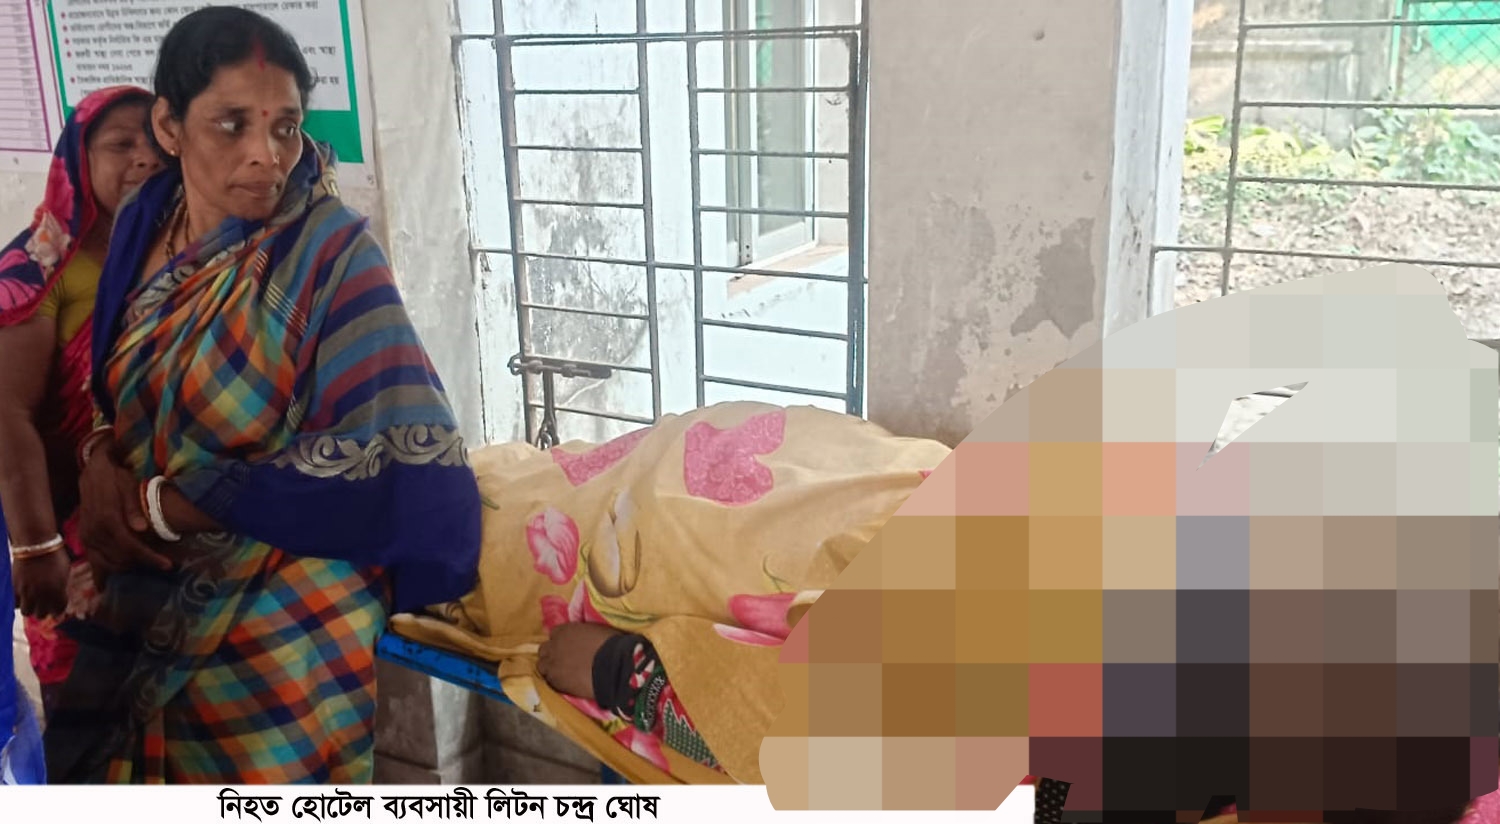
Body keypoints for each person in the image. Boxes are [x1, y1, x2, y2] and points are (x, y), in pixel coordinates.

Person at [42, 7, 481, 784]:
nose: (265, 155)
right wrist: (98, 456)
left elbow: (389, 453)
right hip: (142, 571)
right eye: (231, 124)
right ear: (170, 127)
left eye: (285, 127)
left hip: (286, 585)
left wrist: (160, 507)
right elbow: (111, 378)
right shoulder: (146, 220)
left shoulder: (332, 253)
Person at [0, 86, 163, 716]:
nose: (144, 158)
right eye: (121, 144)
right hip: (61, 516)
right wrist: (37, 546)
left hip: (152, 510)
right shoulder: (39, 265)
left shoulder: (175, 252)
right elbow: (9, 413)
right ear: (78, 159)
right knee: (85, 703)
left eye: (156, 143)